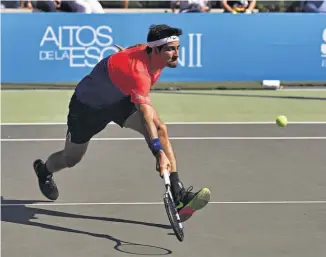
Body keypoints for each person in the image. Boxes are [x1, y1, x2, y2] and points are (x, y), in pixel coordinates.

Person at [33, 24, 211, 222]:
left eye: (177, 48)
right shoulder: (139, 74)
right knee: (71, 158)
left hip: (120, 100)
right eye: (170, 49)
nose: (176, 53)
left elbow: (138, 47)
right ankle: (44, 170)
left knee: (161, 128)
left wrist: (125, 52)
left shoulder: (149, 52)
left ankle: (179, 195)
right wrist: (158, 152)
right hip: (87, 108)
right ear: (156, 50)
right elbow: (144, 114)